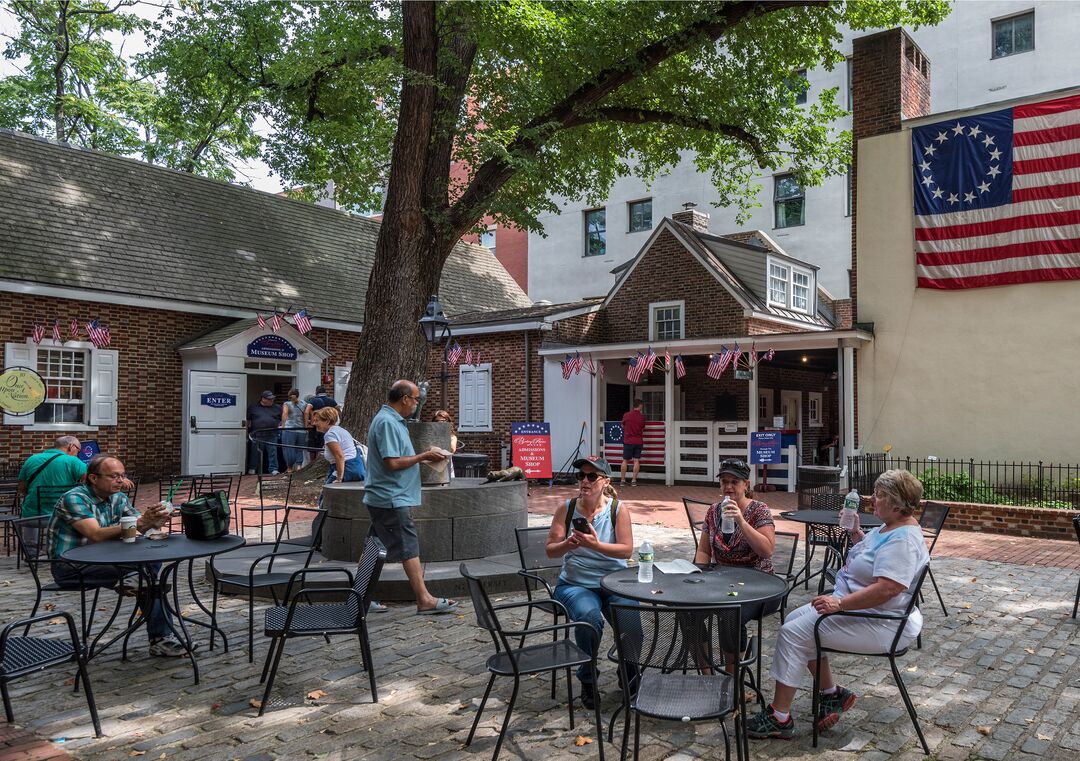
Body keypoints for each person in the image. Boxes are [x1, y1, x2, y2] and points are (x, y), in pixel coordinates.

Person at [746, 469, 931, 740]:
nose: (872, 499)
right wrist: (857, 534)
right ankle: (832, 694)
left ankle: (779, 716)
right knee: (795, 620)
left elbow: (888, 589)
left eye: (879, 496)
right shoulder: (889, 527)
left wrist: (840, 603)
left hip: (881, 622)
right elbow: (871, 557)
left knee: (794, 633)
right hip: (866, 610)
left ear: (896, 504)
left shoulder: (903, 541)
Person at [46, 455, 187, 657]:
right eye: (114, 476)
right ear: (93, 478)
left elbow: (141, 525)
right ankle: (160, 636)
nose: (121, 480)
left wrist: (156, 518)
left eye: (122, 475)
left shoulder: (118, 498)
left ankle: (137, 583)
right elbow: (95, 534)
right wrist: (139, 523)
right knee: (148, 576)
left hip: (109, 559)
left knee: (150, 562)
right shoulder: (74, 498)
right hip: (70, 565)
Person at [546, 456, 635, 710]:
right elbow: (551, 550)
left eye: (591, 476)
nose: (584, 481)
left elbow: (626, 551)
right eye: (581, 476)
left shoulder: (618, 509)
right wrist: (568, 544)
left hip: (613, 583)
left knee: (631, 615)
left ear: (605, 481)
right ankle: (587, 678)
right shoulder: (567, 508)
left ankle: (629, 673)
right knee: (588, 617)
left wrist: (596, 545)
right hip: (576, 584)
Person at [364, 380, 456, 615]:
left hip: (386, 496)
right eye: (416, 399)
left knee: (374, 547)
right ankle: (424, 599)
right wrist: (422, 456)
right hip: (391, 497)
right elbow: (393, 462)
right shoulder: (387, 422)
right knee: (408, 546)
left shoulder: (393, 421)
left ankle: (361, 597)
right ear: (404, 398)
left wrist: (422, 458)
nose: (417, 403)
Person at [693, 458, 776, 574]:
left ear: (746, 485)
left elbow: (767, 551)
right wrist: (701, 574)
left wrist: (741, 522)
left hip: (756, 577)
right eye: (724, 481)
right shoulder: (713, 511)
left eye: (734, 482)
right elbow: (704, 551)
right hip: (722, 576)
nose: (728, 487)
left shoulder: (759, 510)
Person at [17, 436, 87, 517]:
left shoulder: (32, 459)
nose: (77, 454)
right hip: (62, 516)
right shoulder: (73, 461)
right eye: (78, 450)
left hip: (31, 515)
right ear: (72, 447)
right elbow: (91, 481)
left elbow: (22, 488)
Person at [313, 407, 366, 487]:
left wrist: (339, 478)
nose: (314, 423)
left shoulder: (330, 435)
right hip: (355, 467)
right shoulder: (340, 430)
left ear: (327, 421)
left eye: (317, 420)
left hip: (346, 469)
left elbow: (339, 456)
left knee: (327, 496)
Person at [247, 390, 282, 475]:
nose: (272, 401)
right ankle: (253, 468)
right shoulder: (253, 407)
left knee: (273, 452)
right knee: (255, 452)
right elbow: (248, 421)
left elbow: (282, 420)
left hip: (272, 434)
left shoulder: (277, 407)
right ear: (263, 399)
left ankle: (273, 469)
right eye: (269, 399)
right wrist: (247, 432)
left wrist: (280, 426)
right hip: (257, 434)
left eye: (272, 399)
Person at [280, 389, 308, 472]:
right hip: (301, 430)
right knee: (299, 449)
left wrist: (283, 426)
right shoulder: (304, 404)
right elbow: (306, 414)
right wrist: (306, 427)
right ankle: (299, 466)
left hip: (289, 429)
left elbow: (285, 414)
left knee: (289, 448)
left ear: (289, 395)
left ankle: (289, 468)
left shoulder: (287, 404)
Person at [619, 399, 645, 486]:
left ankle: (622, 480)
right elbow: (642, 427)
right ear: (640, 405)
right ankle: (634, 481)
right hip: (638, 441)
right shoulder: (642, 417)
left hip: (628, 441)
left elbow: (622, 425)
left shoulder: (626, 415)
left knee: (625, 461)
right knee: (636, 460)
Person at [304, 385, 339, 451]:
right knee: (324, 445)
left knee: (312, 447)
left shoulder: (313, 400)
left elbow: (306, 412)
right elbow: (339, 410)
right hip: (328, 426)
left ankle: (313, 461)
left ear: (316, 392)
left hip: (315, 426)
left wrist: (306, 425)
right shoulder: (331, 400)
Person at [432, 409, 457, 479]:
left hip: (447, 468)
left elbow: (452, 449)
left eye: (443, 421)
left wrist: (445, 434)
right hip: (432, 469)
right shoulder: (430, 435)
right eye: (437, 421)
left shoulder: (452, 436)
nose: (440, 424)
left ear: (448, 422)